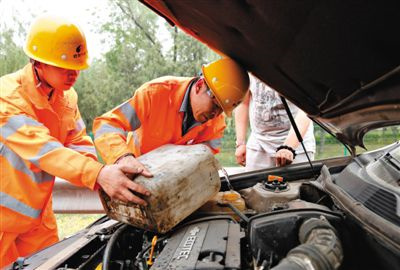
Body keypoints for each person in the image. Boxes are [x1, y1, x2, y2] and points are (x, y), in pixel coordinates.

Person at [0, 15, 151, 267]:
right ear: (38, 63)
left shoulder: (67, 97)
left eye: (77, 67)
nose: (74, 75)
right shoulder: (7, 97)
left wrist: (102, 176)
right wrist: (99, 174)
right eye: (64, 67)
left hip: (38, 218)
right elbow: (46, 150)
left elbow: (78, 142)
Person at [93, 58, 249, 172]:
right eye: (215, 105)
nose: (216, 114)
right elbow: (106, 125)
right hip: (137, 170)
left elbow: (205, 156)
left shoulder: (215, 120)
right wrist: (123, 158)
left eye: (222, 109)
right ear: (200, 86)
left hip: (173, 178)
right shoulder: (155, 93)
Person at [234, 74, 315, 170]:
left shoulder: (298, 65)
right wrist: (240, 143)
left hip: (298, 147)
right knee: (254, 184)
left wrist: (289, 147)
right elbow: (243, 103)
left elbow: (307, 108)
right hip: (258, 144)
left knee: (297, 185)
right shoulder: (249, 64)